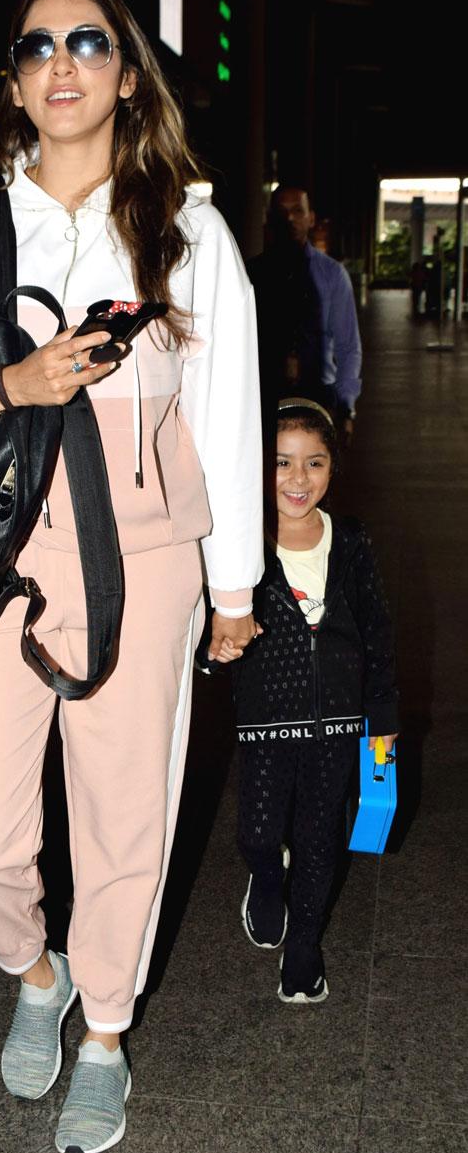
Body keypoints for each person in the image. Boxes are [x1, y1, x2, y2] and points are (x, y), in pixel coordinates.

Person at [0, 0, 263, 1153]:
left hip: (143, 561)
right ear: (18, 80)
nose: (62, 63)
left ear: (126, 73)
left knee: (125, 817)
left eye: (87, 42)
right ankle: (31, 967)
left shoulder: (184, 227)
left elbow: (226, 411)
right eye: (38, 48)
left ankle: (102, 1031)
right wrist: (1, 384)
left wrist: (235, 588)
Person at [231, 398, 397, 1003]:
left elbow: (376, 630)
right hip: (267, 718)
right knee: (257, 828)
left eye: (314, 463)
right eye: (282, 463)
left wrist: (382, 720)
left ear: (333, 468)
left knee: (321, 836)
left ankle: (304, 946)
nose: (298, 480)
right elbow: (210, 622)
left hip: (339, 722)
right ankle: (266, 878)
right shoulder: (240, 543)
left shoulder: (349, 540)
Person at [246, 187, 362, 444]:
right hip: (265, 396)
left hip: (318, 396)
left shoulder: (332, 275)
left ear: (311, 218)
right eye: (282, 212)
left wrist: (346, 406)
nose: (289, 219)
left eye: (298, 210)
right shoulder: (251, 274)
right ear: (270, 218)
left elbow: (348, 347)